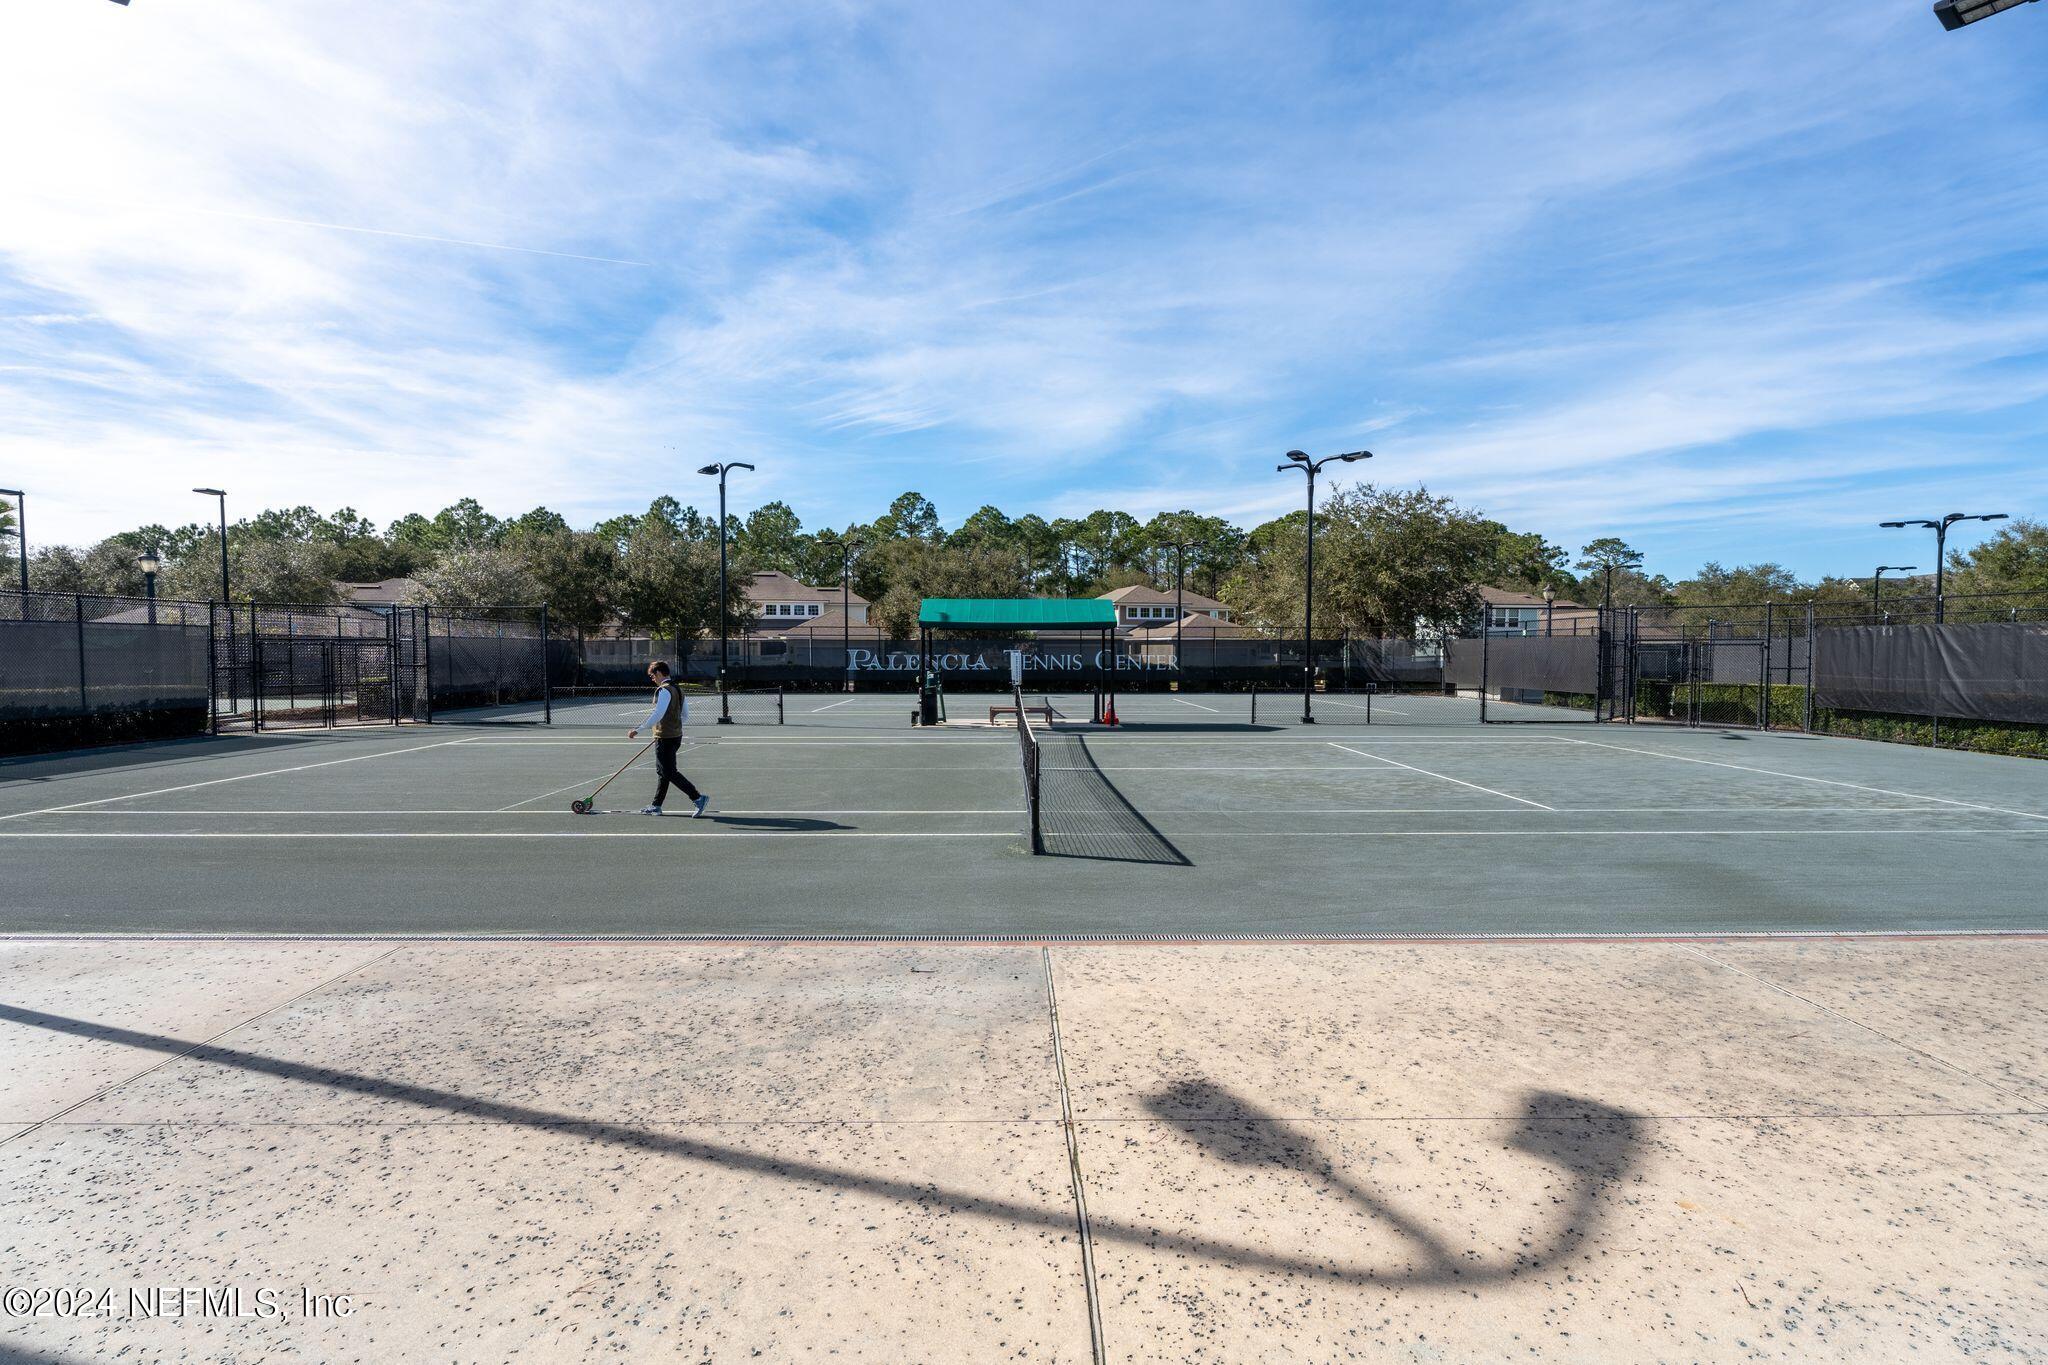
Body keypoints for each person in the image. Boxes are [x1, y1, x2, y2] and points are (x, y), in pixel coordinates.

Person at [628, 661, 710, 817]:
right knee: (663, 772)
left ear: (659, 673)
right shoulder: (678, 689)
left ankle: (698, 798)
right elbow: (685, 715)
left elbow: (658, 714)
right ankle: (656, 805)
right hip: (674, 736)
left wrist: (638, 730)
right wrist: (673, 727)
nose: (652, 679)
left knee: (669, 772)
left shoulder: (664, 691)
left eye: (652, 676)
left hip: (665, 738)